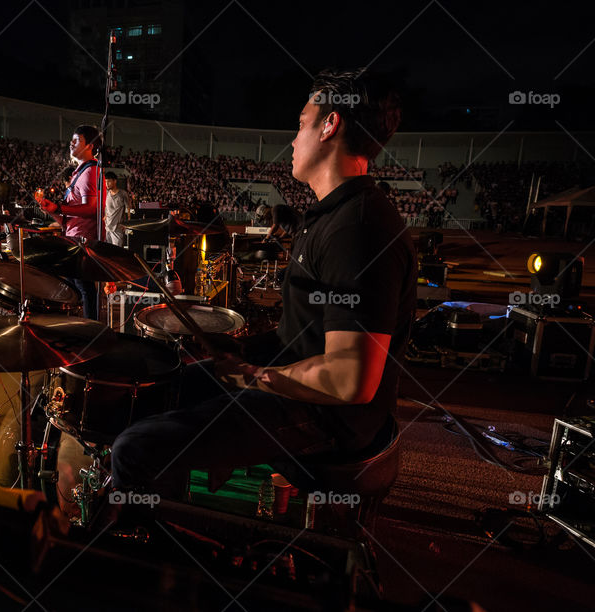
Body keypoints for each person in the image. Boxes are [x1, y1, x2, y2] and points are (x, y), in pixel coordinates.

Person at [110, 69, 416, 500]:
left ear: (330, 124)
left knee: (134, 449)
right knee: (162, 385)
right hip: (306, 395)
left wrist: (254, 377)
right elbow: (304, 338)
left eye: (301, 123)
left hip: (331, 420)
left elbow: (350, 379)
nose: (293, 139)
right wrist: (241, 352)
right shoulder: (333, 214)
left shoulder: (359, 229)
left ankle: (165, 555)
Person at [34, 125, 104, 319]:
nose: (71, 143)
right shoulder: (80, 172)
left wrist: (59, 208)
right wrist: (53, 211)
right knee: (76, 285)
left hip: (82, 242)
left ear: (89, 145)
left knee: (83, 288)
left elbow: (92, 210)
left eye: (76, 140)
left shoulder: (91, 171)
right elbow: (69, 219)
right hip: (74, 238)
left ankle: (90, 327)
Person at [103, 171, 130, 246]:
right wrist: (105, 216)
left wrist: (127, 224)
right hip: (108, 228)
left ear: (115, 181)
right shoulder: (107, 193)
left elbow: (128, 208)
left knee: (117, 252)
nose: (107, 184)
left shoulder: (123, 193)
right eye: (105, 182)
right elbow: (106, 207)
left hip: (118, 228)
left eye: (109, 181)